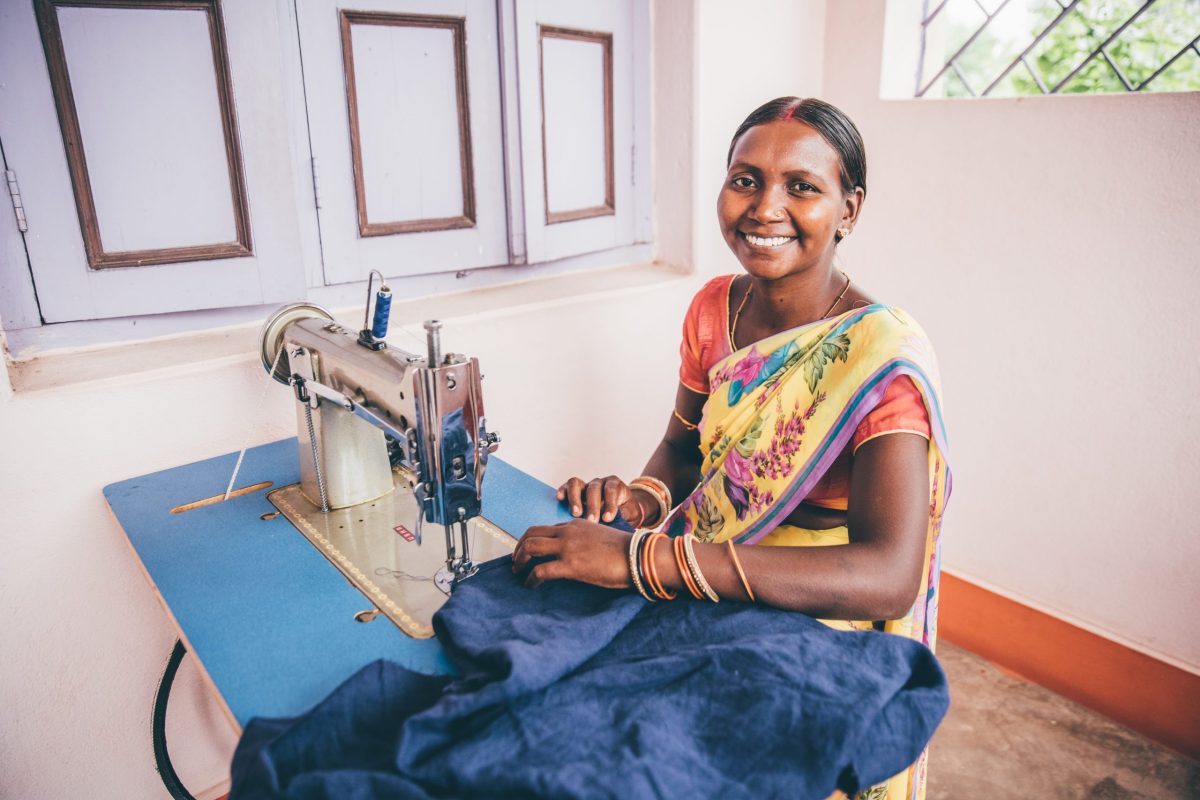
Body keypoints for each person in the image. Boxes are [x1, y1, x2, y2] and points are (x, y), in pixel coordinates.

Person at [512, 97, 950, 800]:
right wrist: (639, 497)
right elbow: (682, 447)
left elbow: (888, 574)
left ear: (849, 209)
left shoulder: (881, 356)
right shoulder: (715, 307)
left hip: (816, 611)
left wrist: (642, 559)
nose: (764, 208)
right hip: (705, 565)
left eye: (801, 187)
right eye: (746, 179)